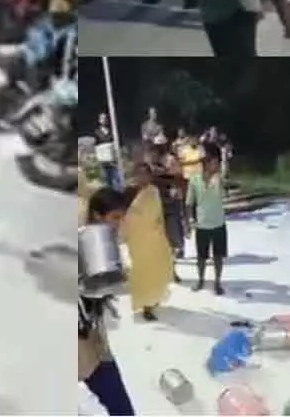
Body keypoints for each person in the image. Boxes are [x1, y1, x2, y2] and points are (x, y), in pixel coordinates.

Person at [79, 188, 136, 416]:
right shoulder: (88, 240)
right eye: (115, 217)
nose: (119, 224)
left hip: (92, 336)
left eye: (122, 217)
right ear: (97, 215)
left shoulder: (100, 240)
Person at [122, 164, 175, 320]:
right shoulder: (130, 192)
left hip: (153, 240)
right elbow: (125, 214)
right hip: (136, 241)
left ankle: (149, 304)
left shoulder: (153, 192)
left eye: (145, 174)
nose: (141, 177)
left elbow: (156, 215)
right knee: (141, 273)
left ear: (150, 176)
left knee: (154, 272)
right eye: (138, 174)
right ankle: (146, 303)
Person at [186, 142, 228, 294]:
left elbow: (224, 193)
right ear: (206, 164)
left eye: (217, 163)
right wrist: (190, 220)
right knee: (201, 257)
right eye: (214, 163)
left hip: (218, 223)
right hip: (202, 224)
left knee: (218, 256)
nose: (216, 166)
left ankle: (217, 282)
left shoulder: (219, 179)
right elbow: (189, 203)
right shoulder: (194, 180)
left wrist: (221, 180)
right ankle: (201, 280)